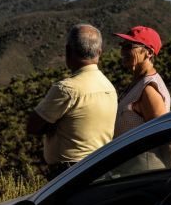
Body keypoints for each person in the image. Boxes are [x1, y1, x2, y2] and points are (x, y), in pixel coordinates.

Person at [27, 24, 117, 179]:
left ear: (68, 51)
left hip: (69, 172)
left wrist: (52, 125)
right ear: (99, 53)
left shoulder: (67, 89)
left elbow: (33, 126)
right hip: (101, 167)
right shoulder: (109, 87)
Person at [113, 25, 171, 136]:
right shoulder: (138, 82)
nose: (122, 51)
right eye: (122, 45)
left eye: (128, 46)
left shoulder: (149, 89)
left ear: (149, 52)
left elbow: (162, 136)